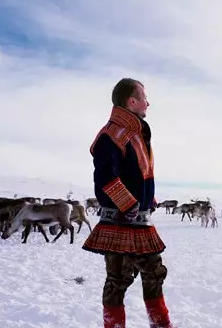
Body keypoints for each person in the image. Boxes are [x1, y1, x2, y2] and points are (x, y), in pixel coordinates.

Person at [82, 78, 173, 328]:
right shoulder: (112, 134)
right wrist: (128, 202)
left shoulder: (135, 134)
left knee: (154, 274)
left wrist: (147, 197)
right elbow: (104, 174)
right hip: (120, 220)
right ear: (131, 102)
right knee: (117, 281)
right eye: (144, 97)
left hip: (140, 221)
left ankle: (161, 325)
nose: (148, 102)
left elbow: (135, 173)